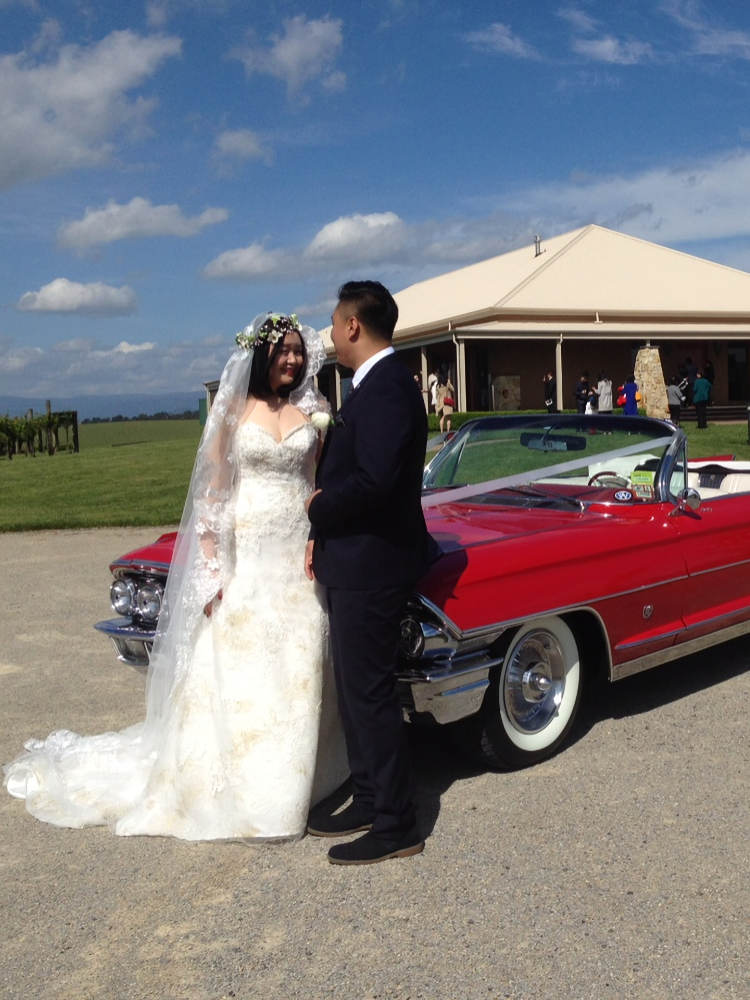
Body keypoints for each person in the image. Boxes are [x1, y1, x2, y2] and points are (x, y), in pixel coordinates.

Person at [4, 313, 348, 841]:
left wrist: (313, 537)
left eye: (300, 351)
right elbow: (212, 493)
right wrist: (213, 569)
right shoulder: (233, 409)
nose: (293, 359)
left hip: (296, 555)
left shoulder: (315, 409)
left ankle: (307, 778)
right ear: (261, 356)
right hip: (249, 556)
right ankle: (252, 793)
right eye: (283, 351)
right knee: (246, 665)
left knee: (302, 656)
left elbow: (316, 481)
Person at [305, 280, 437, 866]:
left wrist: (317, 506)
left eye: (334, 323)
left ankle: (396, 824)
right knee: (356, 693)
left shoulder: (386, 388)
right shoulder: (369, 386)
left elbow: (377, 482)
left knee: (371, 694)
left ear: (354, 325)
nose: (331, 335)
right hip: (352, 560)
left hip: (372, 565)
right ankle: (368, 795)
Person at [435, 369, 455, 434]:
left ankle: (441, 432)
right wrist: (449, 382)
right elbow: (453, 389)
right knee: (448, 418)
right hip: (447, 402)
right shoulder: (447, 383)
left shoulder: (438, 386)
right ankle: (448, 432)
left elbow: (437, 395)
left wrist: (437, 406)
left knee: (442, 418)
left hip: (440, 403)